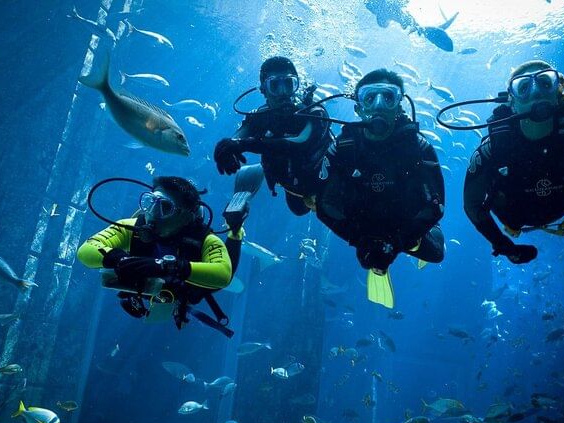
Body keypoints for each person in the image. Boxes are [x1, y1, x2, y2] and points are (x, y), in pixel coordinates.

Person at [463, 60, 564, 264]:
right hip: (516, 219)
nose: (536, 92)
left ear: (558, 91)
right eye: (523, 87)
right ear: (512, 102)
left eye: (545, 83)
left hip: (558, 209)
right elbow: (472, 203)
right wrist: (502, 243)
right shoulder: (491, 151)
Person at [315, 69, 445, 307]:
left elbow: (436, 206)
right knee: (360, 263)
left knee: (436, 254)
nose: (378, 105)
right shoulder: (342, 148)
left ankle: (415, 241)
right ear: (358, 107)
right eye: (369, 97)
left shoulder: (418, 147)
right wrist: (357, 239)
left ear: (399, 105)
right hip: (361, 223)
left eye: (388, 97)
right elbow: (323, 204)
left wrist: (398, 242)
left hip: (405, 222)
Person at [77, 176, 242, 336]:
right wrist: (119, 259)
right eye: (150, 202)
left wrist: (170, 267)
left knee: (211, 285)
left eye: (165, 207)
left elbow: (223, 273)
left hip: (188, 289)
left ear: (186, 217)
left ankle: (235, 233)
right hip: (147, 289)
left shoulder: (205, 239)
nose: (153, 212)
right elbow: (86, 250)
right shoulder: (131, 228)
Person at [213, 56, 332, 216]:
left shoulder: (314, 113)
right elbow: (235, 139)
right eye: (275, 85)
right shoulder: (259, 117)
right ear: (263, 90)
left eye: (288, 84)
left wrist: (243, 145)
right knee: (298, 210)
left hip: (327, 181)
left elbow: (300, 143)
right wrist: (225, 149)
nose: (283, 92)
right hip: (292, 186)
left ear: (296, 85)